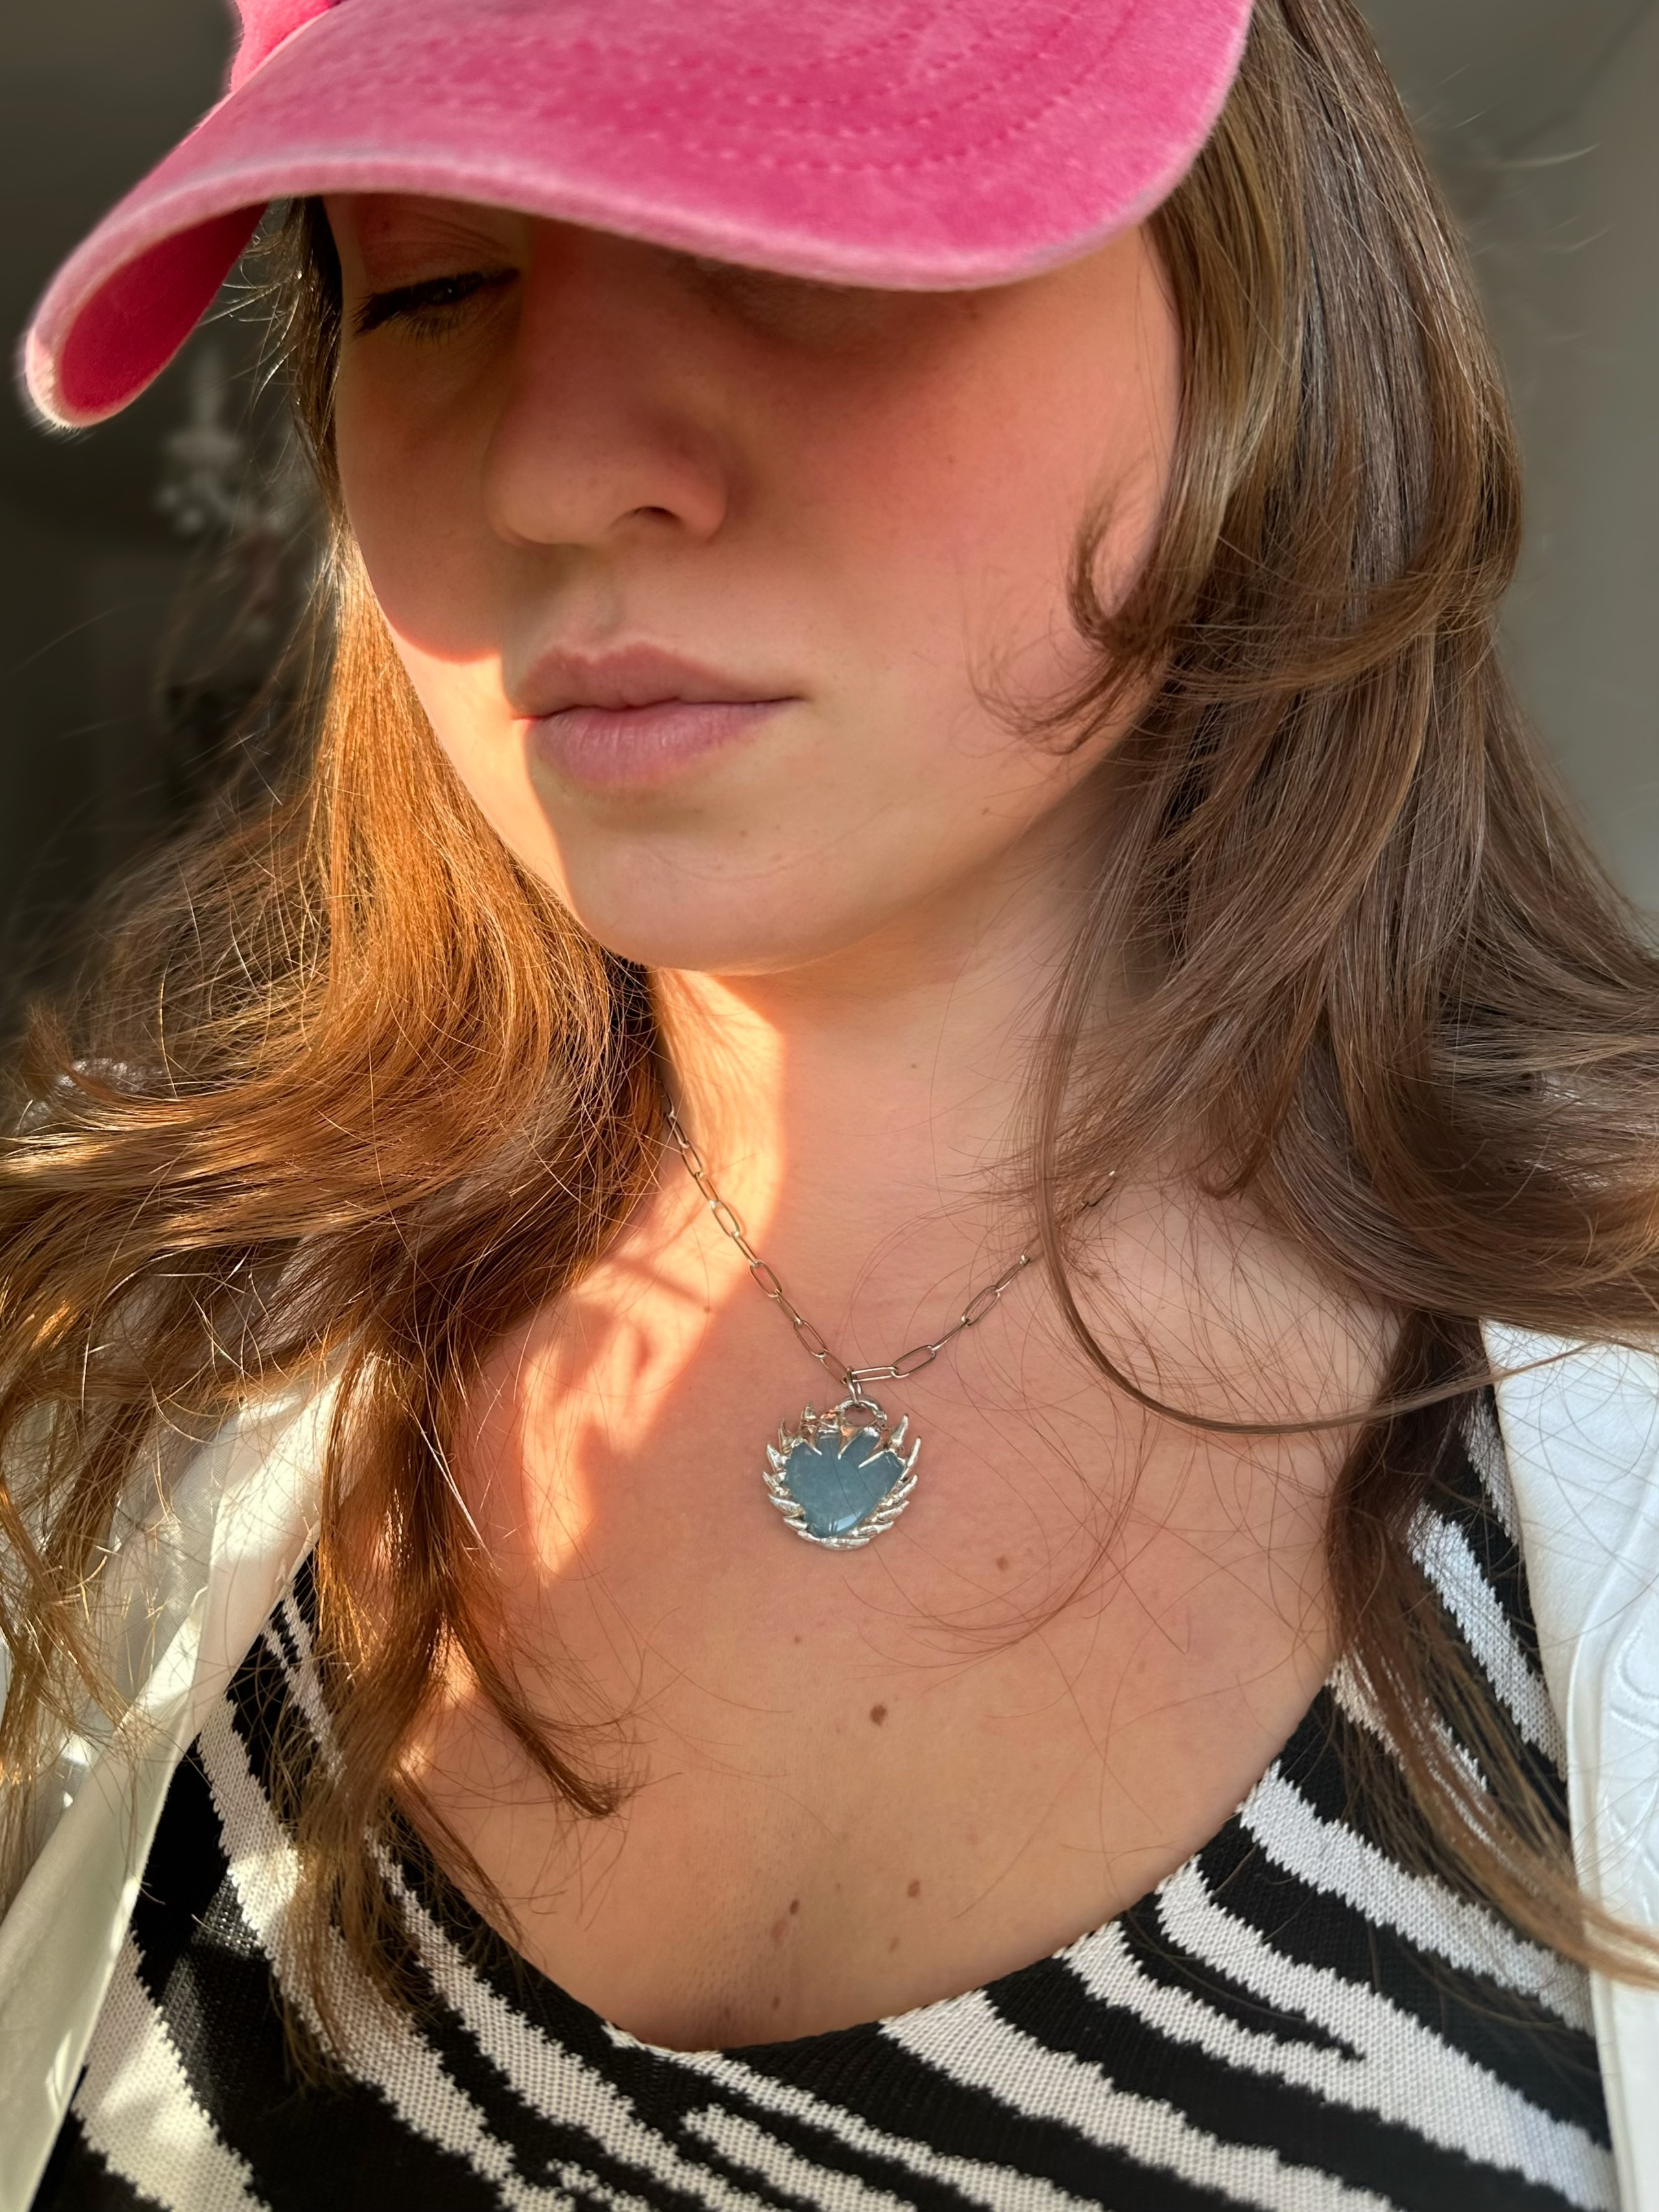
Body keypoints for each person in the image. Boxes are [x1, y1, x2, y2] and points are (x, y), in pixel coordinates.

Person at [2, 0, 1656, 2205]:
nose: (542, 471)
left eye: (784, 227)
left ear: (1265, 305)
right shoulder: (126, 1381)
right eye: (434, 289)